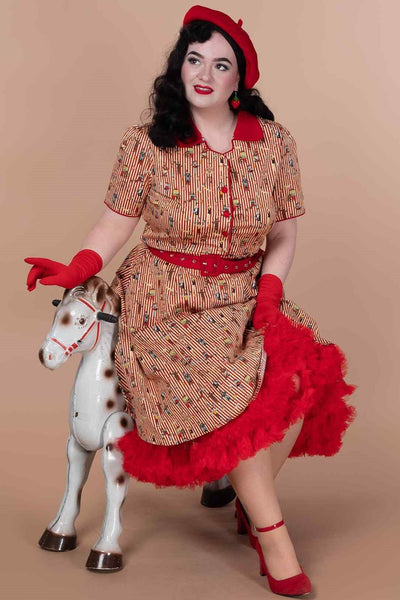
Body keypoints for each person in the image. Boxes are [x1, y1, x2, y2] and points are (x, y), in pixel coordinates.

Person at [24, 5, 357, 596]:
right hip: (163, 301)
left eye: (220, 64)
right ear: (179, 65)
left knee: (302, 376)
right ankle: (273, 533)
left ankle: (251, 501)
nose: (203, 73)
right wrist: (78, 266)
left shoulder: (273, 144)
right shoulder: (146, 142)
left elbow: (283, 232)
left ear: (239, 80)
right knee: (234, 394)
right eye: (193, 58)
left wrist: (271, 292)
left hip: (243, 291)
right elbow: (114, 224)